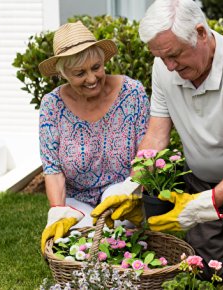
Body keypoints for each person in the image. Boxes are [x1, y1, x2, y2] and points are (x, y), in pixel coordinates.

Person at [94, 0, 223, 281]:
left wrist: (198, 207)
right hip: (206, 179)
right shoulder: (164, 66)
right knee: (207, 271)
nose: (168, 66)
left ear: (201, 33)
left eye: (174, 55)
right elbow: (156, 135)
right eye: (161, 57)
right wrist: (132, 186)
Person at [38, 21, 150, 253]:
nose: (91, 78)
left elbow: (146, 153)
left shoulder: (132, 93)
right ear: (64, 74)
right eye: (80, 73)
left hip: (121, 192)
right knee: (81, 242)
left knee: (113, 235)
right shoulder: (52, 105)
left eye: (96, 67)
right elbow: (53, 169)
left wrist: (130, 194)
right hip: (77, 199)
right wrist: (59, 212)